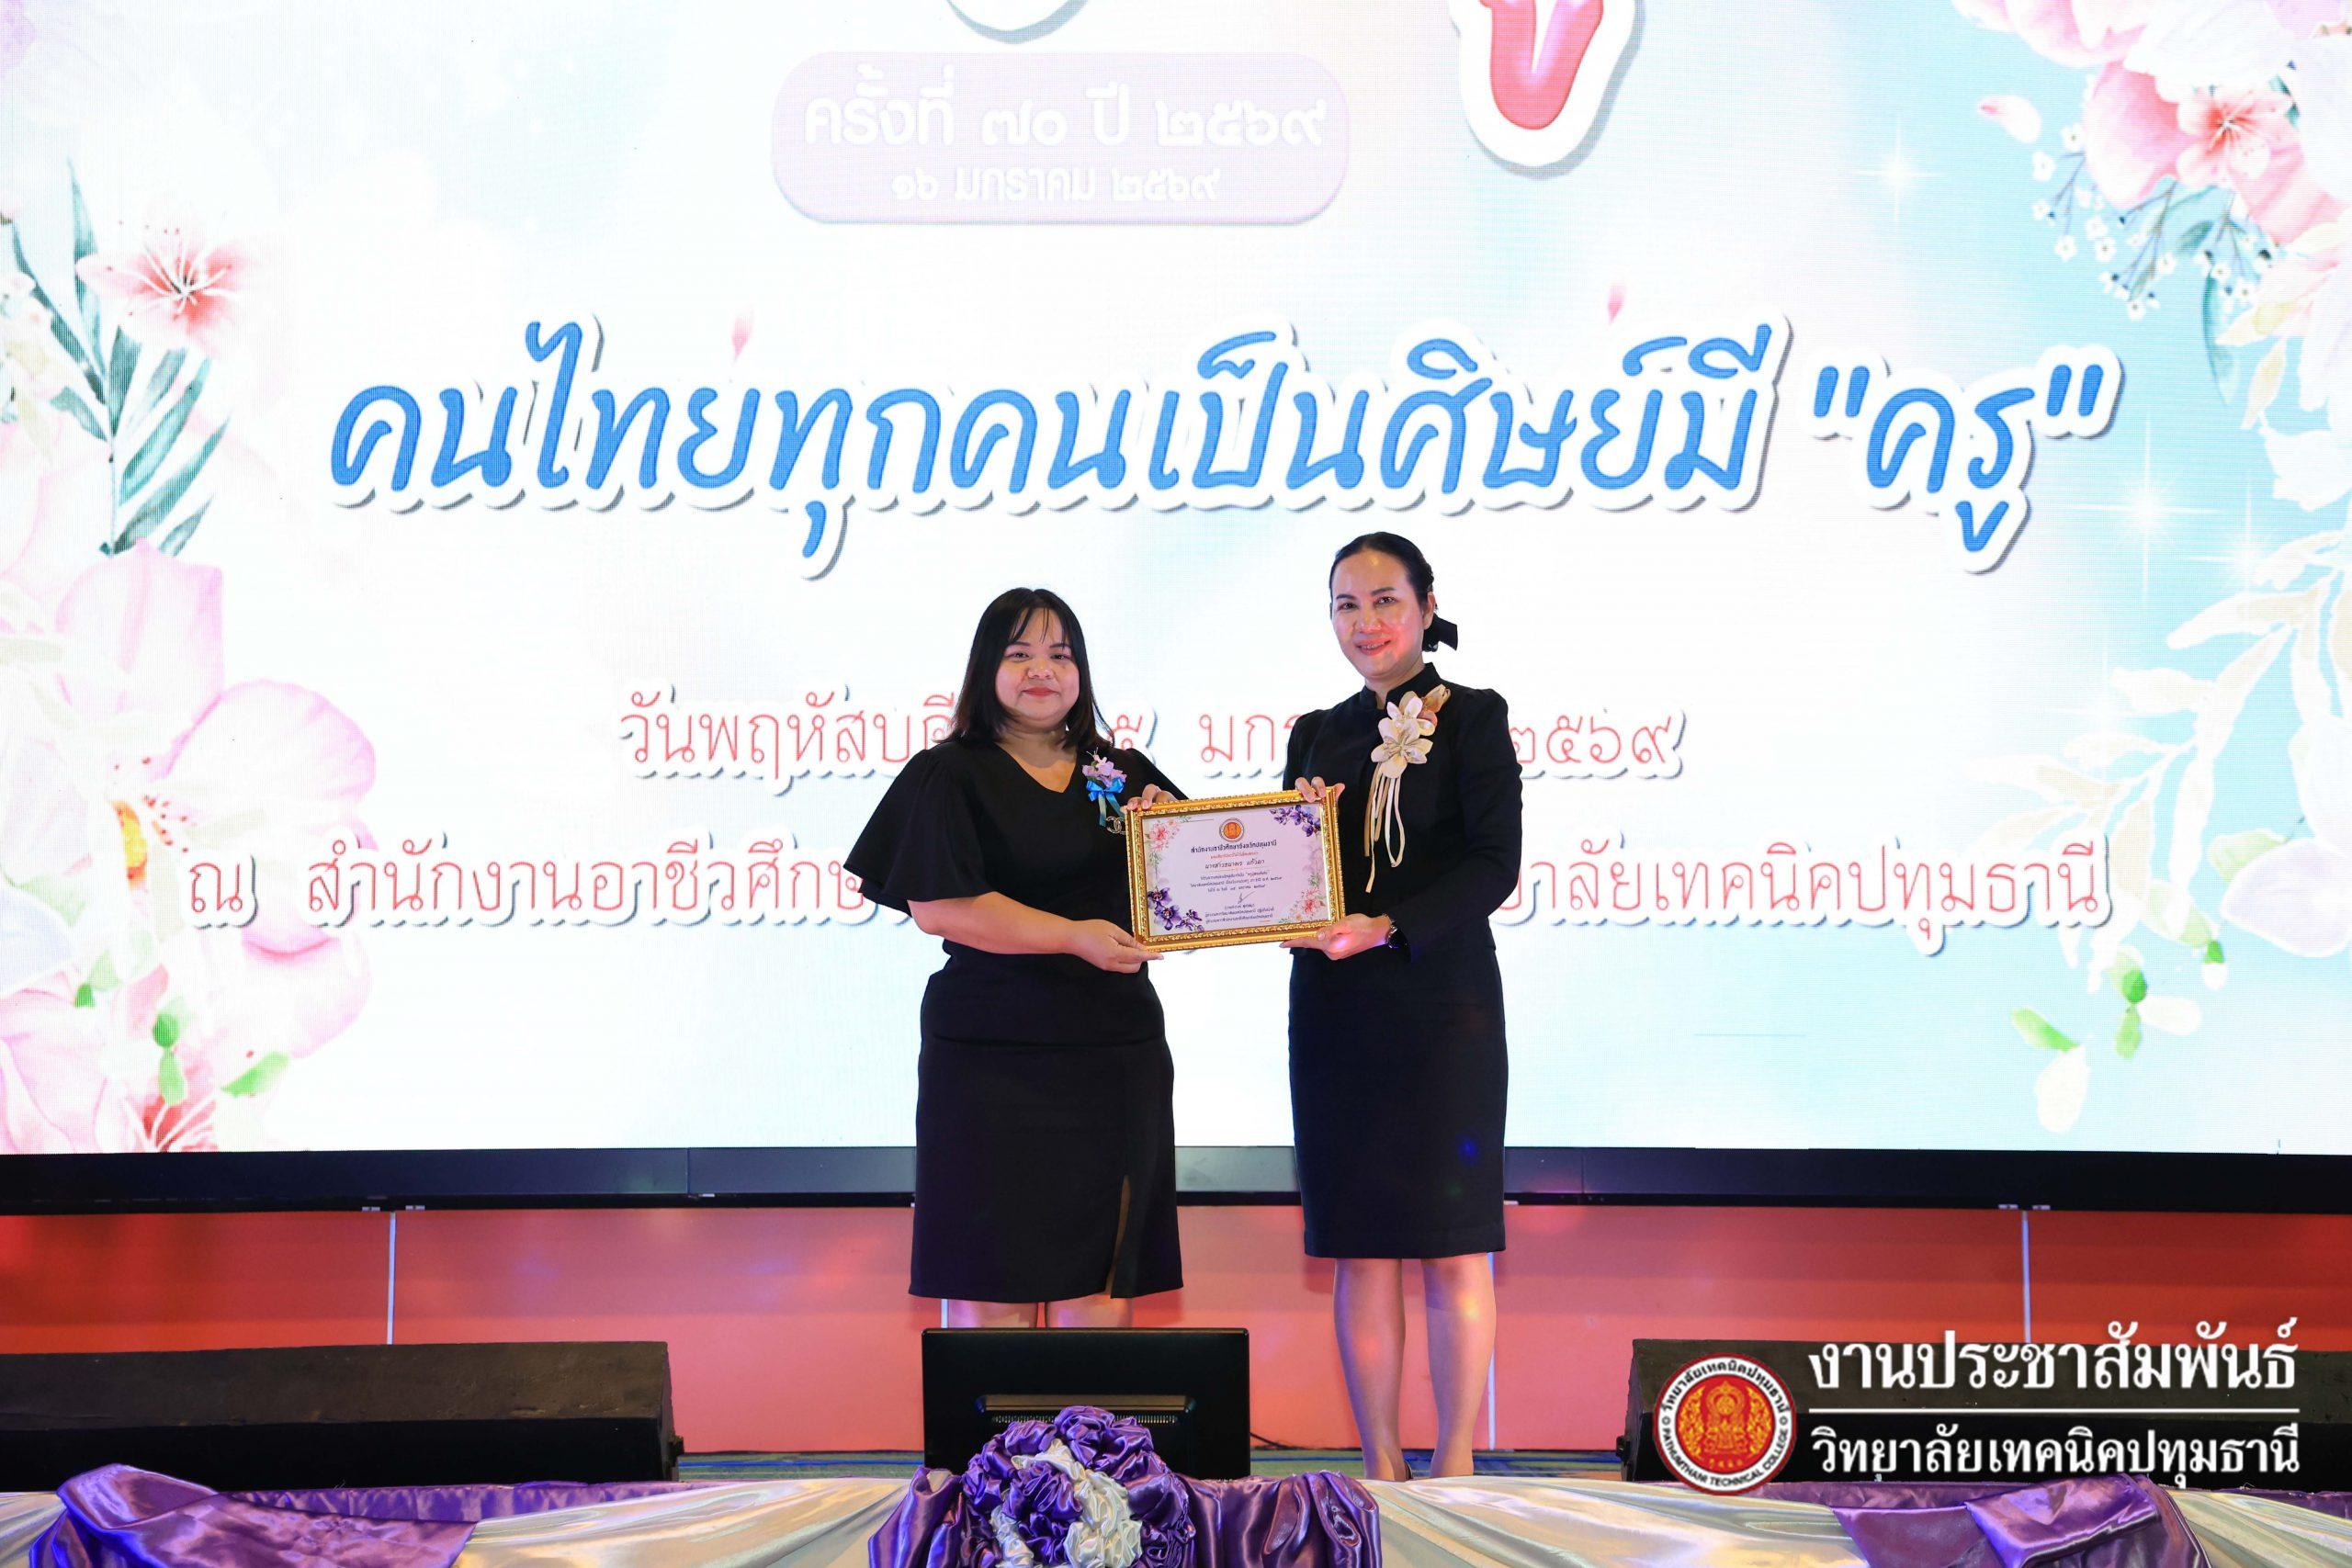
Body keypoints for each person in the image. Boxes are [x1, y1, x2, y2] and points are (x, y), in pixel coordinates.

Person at [845, 587, 1185, 1326]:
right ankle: (996, 1416)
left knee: (1099, 1289)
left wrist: (1187, 846)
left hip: (1112, 1059)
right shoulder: (948, 773)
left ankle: (1095, 1414)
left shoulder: (1125, 772)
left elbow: (1193, 902)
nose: (1042, 671)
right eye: (1020, 653)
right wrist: (1072, 933)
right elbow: (939, 905)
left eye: (1060, 654)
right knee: (989, 1285)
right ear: (986, 669)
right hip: (990, 1064)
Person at [1281, 532, 1522, 1479]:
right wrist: (1289, 856)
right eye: (1346, 604)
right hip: (1337, 1018)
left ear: (1425, 606)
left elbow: (1494, 865)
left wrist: (1387, 926)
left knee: (1453, 1248)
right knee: (1362, 1248)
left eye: (1385, 600)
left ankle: (1454, 1465)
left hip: (1443, 1012)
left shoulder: (1474, 717)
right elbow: (1295, 879)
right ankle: (1381, 1465)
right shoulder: (1315, 732)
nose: (1366, 621)